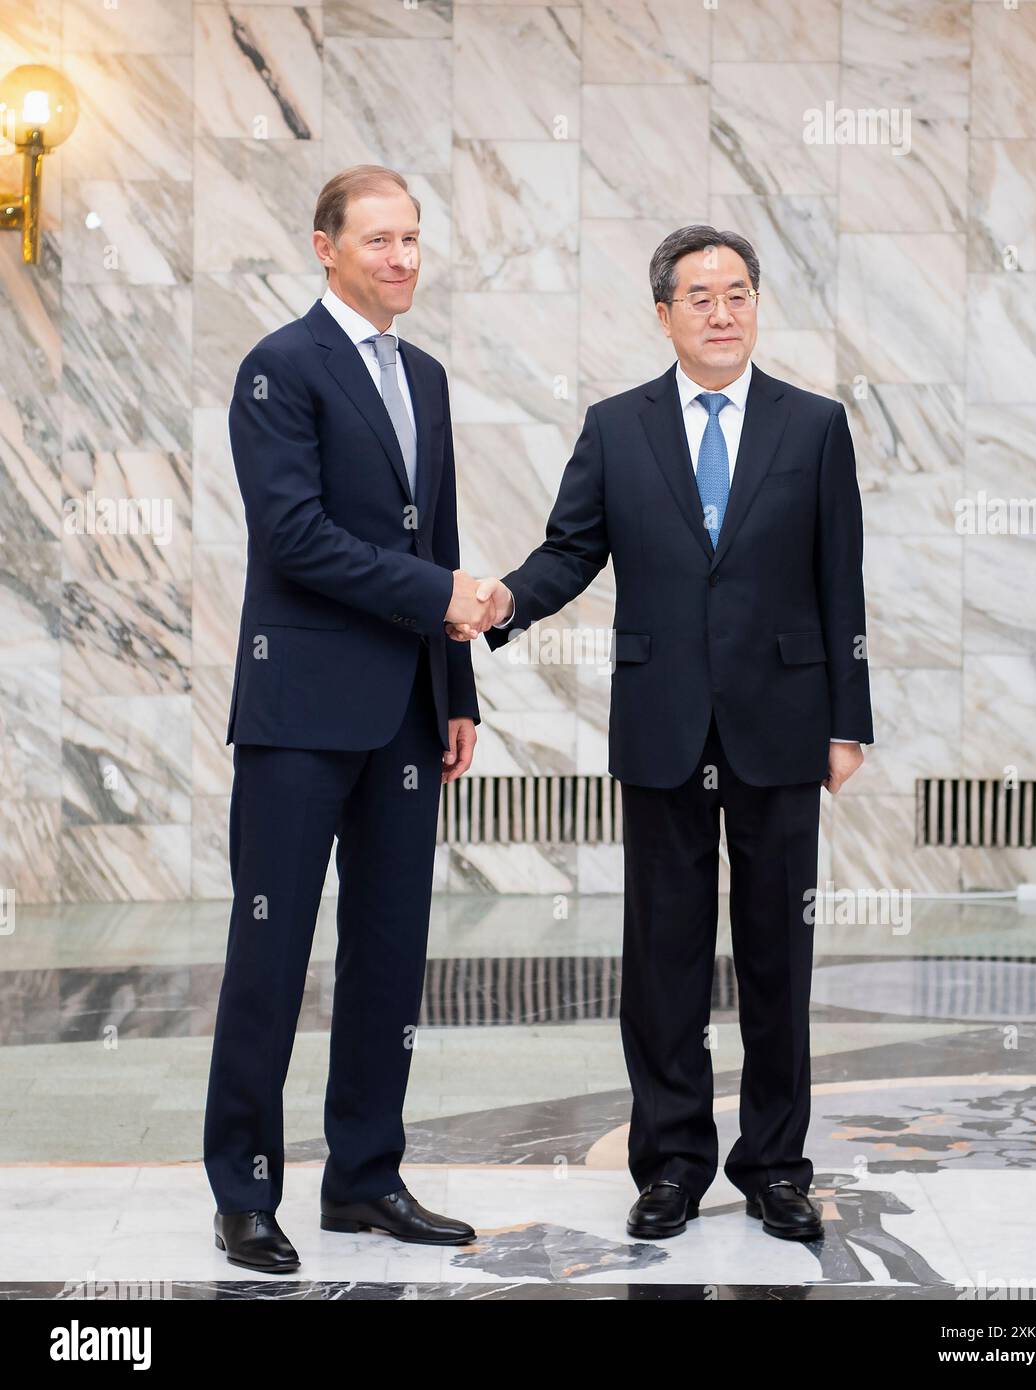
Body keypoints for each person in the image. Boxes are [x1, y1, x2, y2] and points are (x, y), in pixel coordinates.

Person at [453, 225, 874, 1241]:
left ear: (754, 306)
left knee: (778, 955)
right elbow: (570, 551)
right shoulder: (616, 426)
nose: (721, 311)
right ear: (663, 313)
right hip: (663, 726)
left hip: (781, 719)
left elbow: (839, 579)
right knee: (664, 958)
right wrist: (505, 599)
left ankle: (775, 1163)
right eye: (699, 296)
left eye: (736, 293)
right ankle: (673, 1162)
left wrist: (847, 719)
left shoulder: (813, 426)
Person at [203, 165, 501, 1273]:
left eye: (414, 238)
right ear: (323, 247)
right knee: (269, 955)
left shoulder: (422, 374)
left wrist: (455, 691)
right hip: (298, 714)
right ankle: (243, 1191)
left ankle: (365, 1181)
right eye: (378, 239)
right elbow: (294, 538)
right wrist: (437, 600)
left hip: (409, 721)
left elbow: (438, 539)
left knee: (388, 955)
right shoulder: (279, 369)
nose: (402, 257)